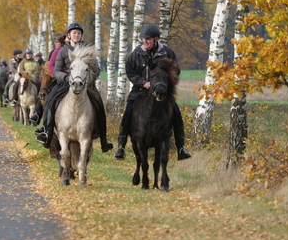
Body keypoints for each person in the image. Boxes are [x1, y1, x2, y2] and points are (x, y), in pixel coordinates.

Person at [114, 23, 191, 161]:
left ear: (156, 39)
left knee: (176, 111)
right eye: (143, 39)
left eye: (148, 39)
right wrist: (144, 83)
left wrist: (164, 84)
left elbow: (176, 71)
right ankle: (121, 147)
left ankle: (181, 148)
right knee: (128, 111)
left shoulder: (167, 53)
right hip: (140, 91)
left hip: (161, 92)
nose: (144, 42)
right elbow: (130, 72)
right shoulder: (135, 54)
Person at [34, 22, 114, 153]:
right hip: (65, 83)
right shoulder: (62, 51)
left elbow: (97, 69)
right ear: (69, 35)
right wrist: (66, 77)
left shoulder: (88, 50)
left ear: (81, 35)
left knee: (98, 103)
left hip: (84, 84)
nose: (76, 35)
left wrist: (88, 77)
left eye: (79, 33)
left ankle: (103, 139)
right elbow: (57, 71)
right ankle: (47, 133)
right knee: (50, 101)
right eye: (74, 33)